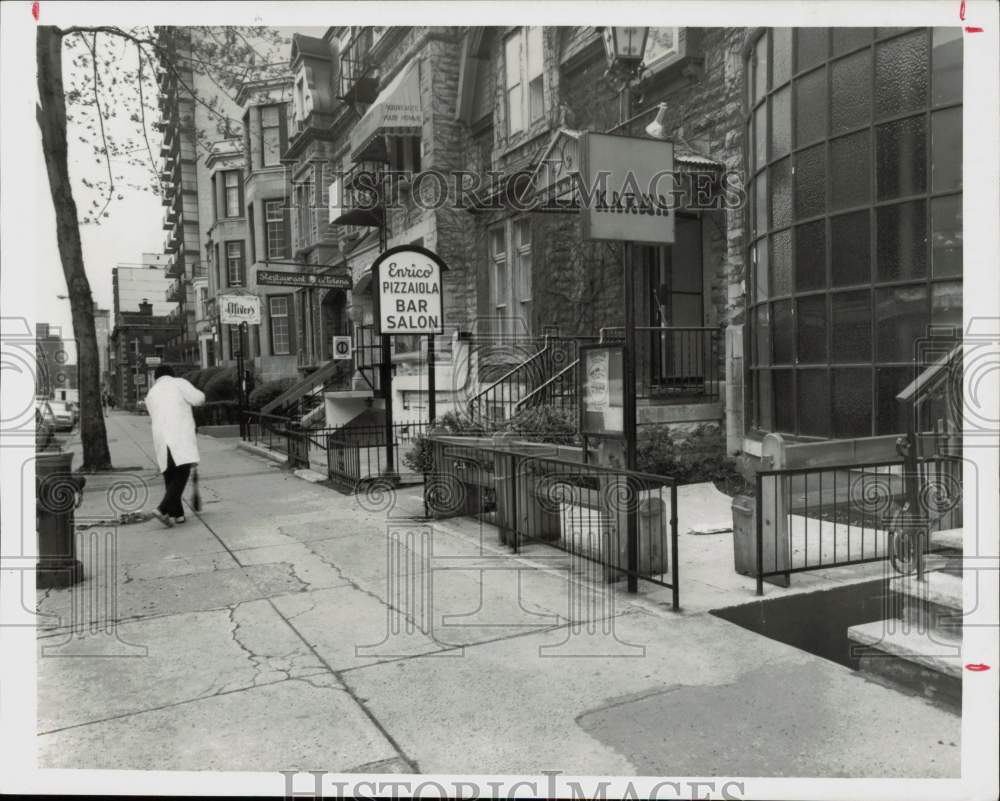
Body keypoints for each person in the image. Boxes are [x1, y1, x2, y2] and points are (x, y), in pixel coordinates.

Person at [144, 364, 205, 527]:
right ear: (171, 374)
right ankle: (162, 509)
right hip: (179, 433)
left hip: (160, 436)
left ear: (156, 377)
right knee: (181, 473)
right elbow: (199, 398)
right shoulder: (179, 383)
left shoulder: (151, 393)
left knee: (169, 474)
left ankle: (177, 514)